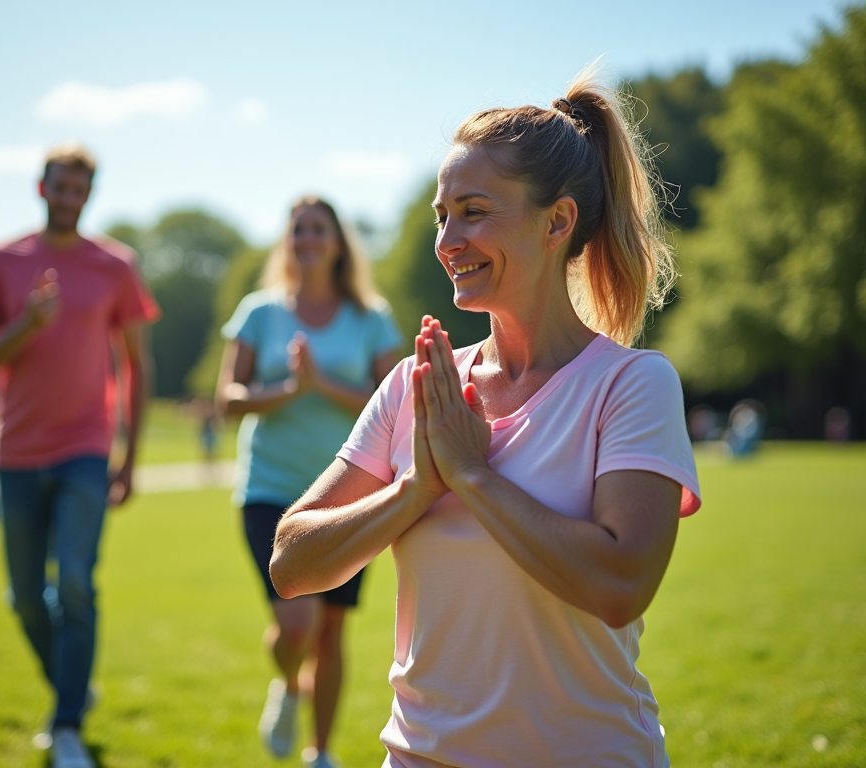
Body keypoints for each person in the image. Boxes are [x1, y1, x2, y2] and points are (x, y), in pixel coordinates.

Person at [270, 74, 702, 767]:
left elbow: (620, 585)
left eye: (473, 211)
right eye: (443, 214)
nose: (448, 240)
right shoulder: (420, 384)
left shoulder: (632, 385)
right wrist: (413, 491)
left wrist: (470, 473)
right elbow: (292, 563)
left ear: (557, 222)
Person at [0, 143, 159, 768]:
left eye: (80, 189)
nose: (70, 198)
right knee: (24, 598)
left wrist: (130, 457)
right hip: (16, 451)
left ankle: (66, 723)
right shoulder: (1, 260)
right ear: (41, 189)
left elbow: (135, 363)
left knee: (74, 581)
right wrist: (27, 325)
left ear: (88, 195)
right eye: (60, 187)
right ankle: (75, 684)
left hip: (84, 448)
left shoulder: (113, 265)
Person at [216, 196, 402, 768]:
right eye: (299, 229)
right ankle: (288, 683)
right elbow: (228, 401)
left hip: (349, 492)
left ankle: (320, 753)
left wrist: (320, 385)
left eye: (319, 229)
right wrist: (287, 393)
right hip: (270, 490)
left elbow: (394, 400)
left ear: (338, 242)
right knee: (298, 623)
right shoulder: (260, 312)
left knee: (331, 630)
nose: (308, 239)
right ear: (288, 241)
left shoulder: (372, 318)